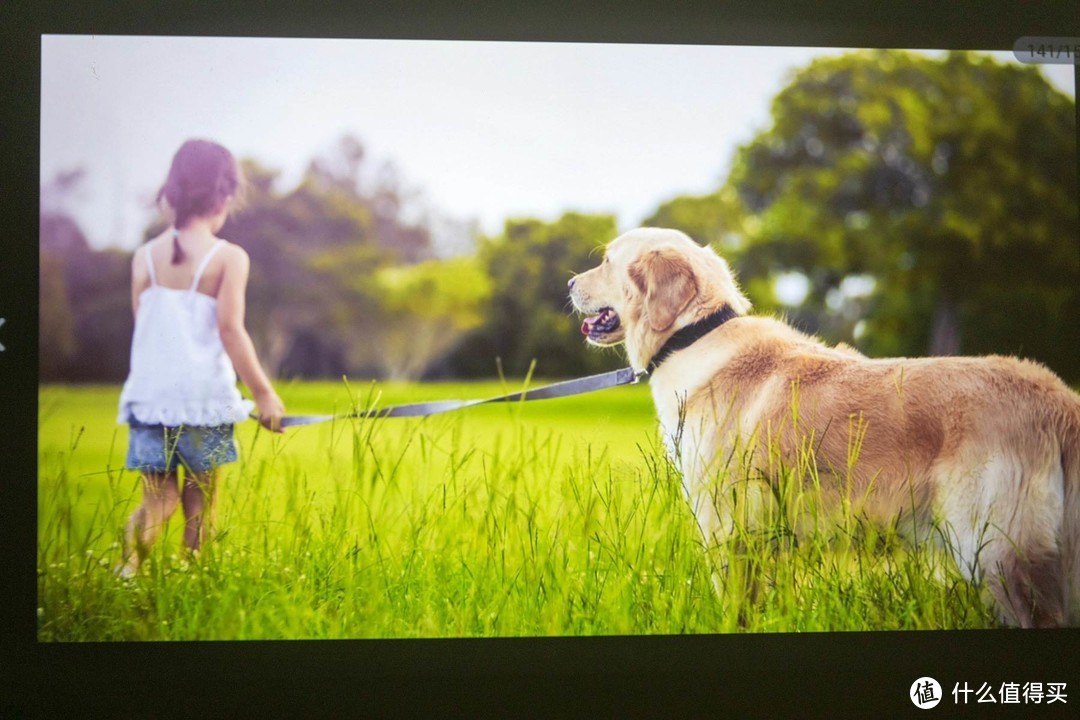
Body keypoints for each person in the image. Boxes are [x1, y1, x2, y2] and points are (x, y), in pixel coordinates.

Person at [115, 139, 285, 577]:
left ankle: (126, 570)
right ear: (224, 197)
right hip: (204, 404)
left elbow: (144, 327)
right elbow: (231, 330)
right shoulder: (228, 257)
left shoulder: (143, 259)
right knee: (200, 506)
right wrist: (263, 393)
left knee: (158, 499)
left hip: (151, 401)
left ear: (171, 194)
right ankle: (194, 582)